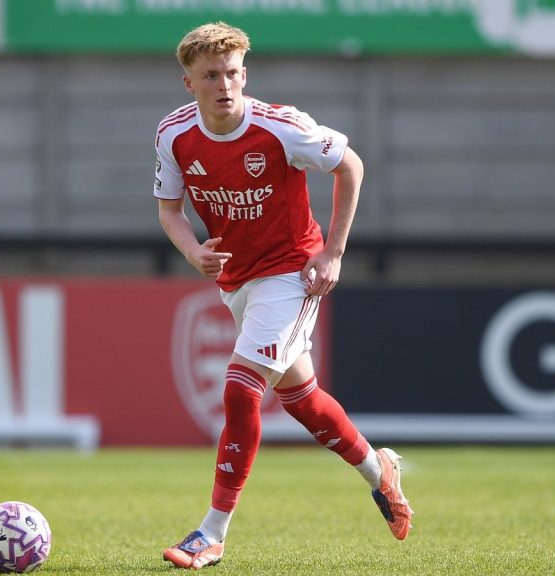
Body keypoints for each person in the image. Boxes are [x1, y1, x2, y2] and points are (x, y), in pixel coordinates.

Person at [153, 21, 413, 569]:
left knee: (241, 387)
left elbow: (351, 165)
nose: (223, 85)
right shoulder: (173, 135)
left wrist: (334, 252)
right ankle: (379, 470)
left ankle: (211, 533)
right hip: (238, 281)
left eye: (231, 73)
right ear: (189, 83)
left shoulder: (280, 127)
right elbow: (169, 211)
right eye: (210, 75)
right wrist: (193, 252)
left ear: (244, 74)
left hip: (293, 273)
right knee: (301, 398)